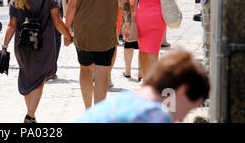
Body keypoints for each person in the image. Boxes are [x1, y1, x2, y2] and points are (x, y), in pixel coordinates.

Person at [1, 0, 73, 123]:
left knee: (27, 77)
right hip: (44, 44)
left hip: (22, 44)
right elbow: (57, 21)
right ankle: (30, 115)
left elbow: (11, 25)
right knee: (40, 78)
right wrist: (68, 35)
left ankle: (30, 114)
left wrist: (4, 45)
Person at [65, 0, 131, 109]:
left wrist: (66, 30)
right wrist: (127, 24)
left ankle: (88, 109)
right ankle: (98, 114)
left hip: (83, 32)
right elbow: (125, 4)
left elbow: (72, 5)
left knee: (85, 69)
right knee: (102, 72)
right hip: (106, 33)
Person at [76, 50, 210, 123]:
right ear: (181, 92)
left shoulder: (128, 99)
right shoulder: (154, 115)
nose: (181, 120)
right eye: (187, 111)